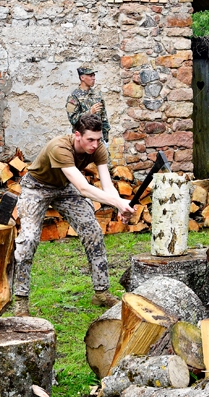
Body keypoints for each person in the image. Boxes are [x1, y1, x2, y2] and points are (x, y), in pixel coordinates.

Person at [12, 113, 133, 317]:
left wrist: (120, 206)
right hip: (36, 187)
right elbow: (83, 188)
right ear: (77, 135)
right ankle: (20, 301)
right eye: (90, 140)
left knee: (93, 230)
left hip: (63, 188)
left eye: (98, 139)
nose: (95, 145)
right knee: (29, 238)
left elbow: (107, 184)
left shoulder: (98, 148)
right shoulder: (60, 147)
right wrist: (118, 202)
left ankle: (101, 292)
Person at [65, 65, 110, 145]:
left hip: (98, 139)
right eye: (90, 76)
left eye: (94, 75)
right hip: (83, 140)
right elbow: (73, 120)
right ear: (82, 78)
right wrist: (90, 112)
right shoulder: (74, 97)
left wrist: (105, 135)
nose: (93, 78)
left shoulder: (97, 95)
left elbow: (103, 117)